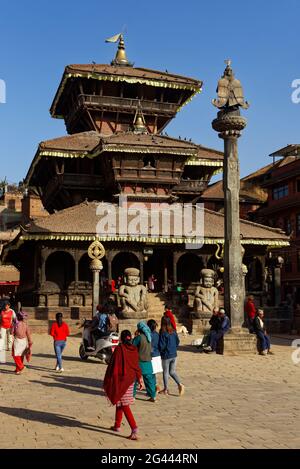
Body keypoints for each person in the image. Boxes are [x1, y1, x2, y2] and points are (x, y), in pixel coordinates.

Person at [103, 330, 143, 440]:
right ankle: (117, 425)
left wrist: (109, 379)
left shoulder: (119, 349)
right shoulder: (134, 349)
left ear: (122, 338)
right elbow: (136, 365)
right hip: (131, 380)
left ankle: (134, 429)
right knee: (119, 401)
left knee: (124, 404)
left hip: (121, 380)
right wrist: (139, 379)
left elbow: (113, 364)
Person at [158, 316, 184, 396]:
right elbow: (177, 342)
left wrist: (160, 350)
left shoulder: (163, 332)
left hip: (166, 355)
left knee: (165, 372)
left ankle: (166, 389)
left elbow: (161, 345)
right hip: (174, 354)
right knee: (172, 371)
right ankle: (180, 384)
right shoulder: (174, 331)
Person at [133, 321, 157, 402]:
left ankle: (132, 396)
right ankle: (153, 396)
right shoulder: (149, 337)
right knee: (149, 380)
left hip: (139, 361)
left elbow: (132, 346)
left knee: (135, 380)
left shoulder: (139, 338)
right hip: (148, 361)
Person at [11, 311, 33, 375]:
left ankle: (21, 367)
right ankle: (18, 370)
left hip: (17, 341)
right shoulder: (26, 325)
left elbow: (11, 333)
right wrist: (30, 341)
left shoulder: (15, 324)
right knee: (21, 355)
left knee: (15, 355)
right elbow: (28, 334)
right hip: (24, 341)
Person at [147, 319, 163, 393]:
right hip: (157, 355)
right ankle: (155, 386)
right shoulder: (157, 334)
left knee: (150, 373)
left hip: (151, 355)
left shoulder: (149, 335)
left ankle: (153, 388)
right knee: (154, 373)